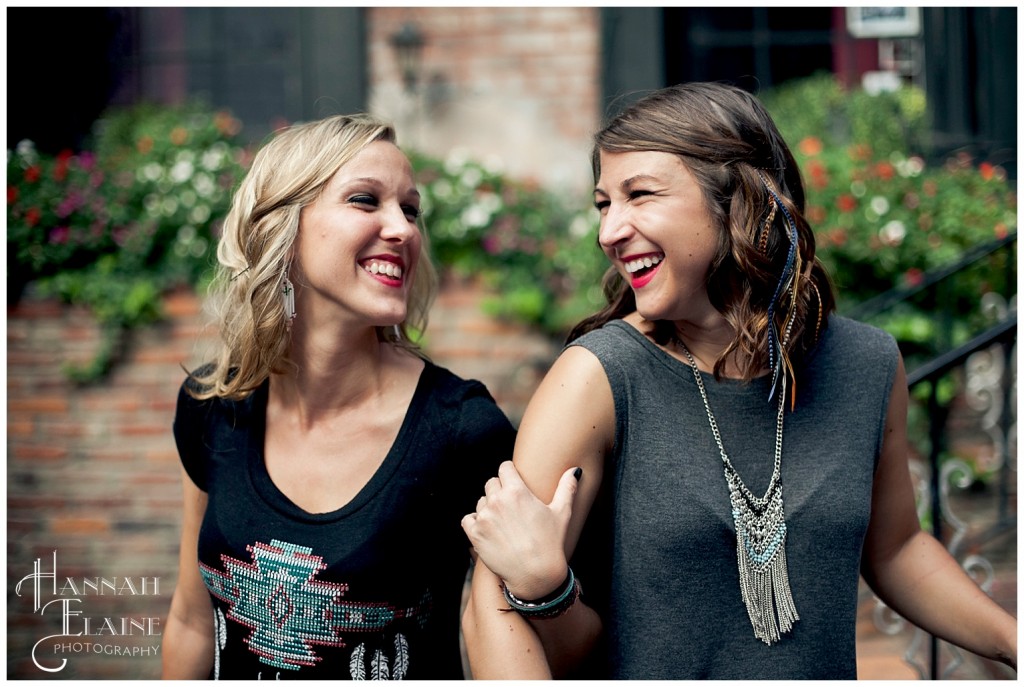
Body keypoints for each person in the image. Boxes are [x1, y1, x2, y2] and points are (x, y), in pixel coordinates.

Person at [460, 82, 1017, 679]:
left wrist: (1013, 642)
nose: (609, 232)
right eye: (603, 204)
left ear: (740, 200)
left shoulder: (869, 364)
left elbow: (899, 549)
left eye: (639, 195)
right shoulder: (597, 377)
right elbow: (488, 606)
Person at [162, 114, 516, 680]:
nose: (402, 229)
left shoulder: (463, 430)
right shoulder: (213, 403)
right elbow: (191, 619)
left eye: (410, 209)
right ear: (283, 227)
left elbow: (514, 641)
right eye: (364, 200)